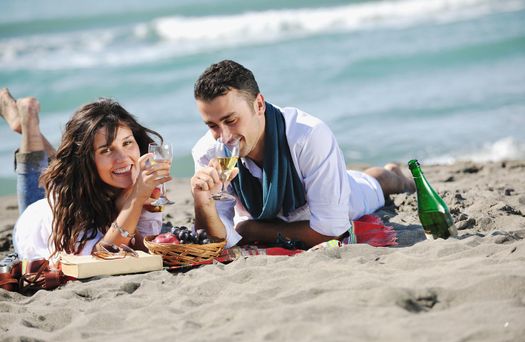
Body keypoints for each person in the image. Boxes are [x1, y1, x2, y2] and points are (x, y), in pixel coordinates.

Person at [190, 60, 415, 249]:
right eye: (212, 125)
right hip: (291, 211)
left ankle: (395, 175)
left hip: (346, 197)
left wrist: (250, 229)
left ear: (259, 105)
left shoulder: (308, 136)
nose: (225, 136)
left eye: (231, 120)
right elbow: (215, 240)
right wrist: (203, 202)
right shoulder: (208, 152)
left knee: (376, 182)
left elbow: (330, 232)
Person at [0, 88, 171, 260]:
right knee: (52, 176)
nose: (123, 158)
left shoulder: (143, 178)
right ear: (87, 159)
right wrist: (136, 198)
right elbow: (102, 255)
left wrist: (127, 203)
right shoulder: (70, 203)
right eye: (106, 150)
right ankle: (28, 124)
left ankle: (26, 122)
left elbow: (143, 249)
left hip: (82, 178)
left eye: (127, 143)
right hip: (34, 225)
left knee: (61, 166)